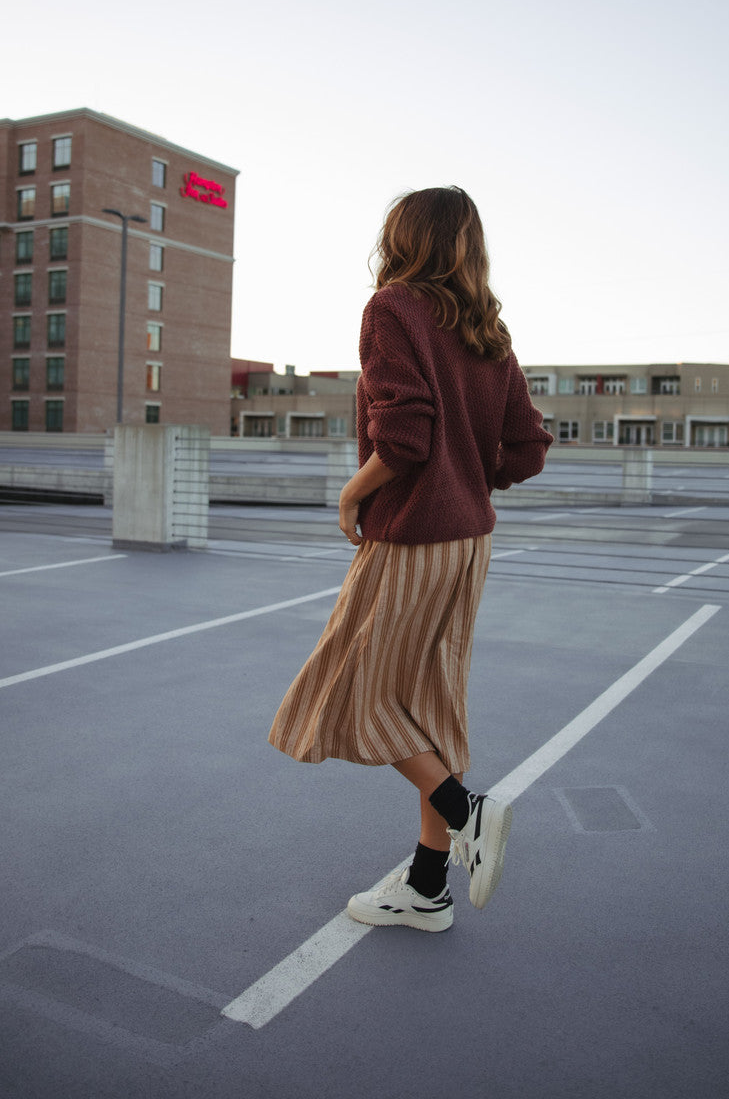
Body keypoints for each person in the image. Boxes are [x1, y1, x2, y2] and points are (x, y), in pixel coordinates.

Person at [268, 186, 552, 932]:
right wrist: (468, 479)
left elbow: (404, 438)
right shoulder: (490, 330)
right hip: (468, 543)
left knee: (354, 694)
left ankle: (468, 812)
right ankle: (427, 887)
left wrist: (350, 496)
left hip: (412, 538)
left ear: (402, 238)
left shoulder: (391, 309)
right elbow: (526, 447)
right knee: (431, 704)